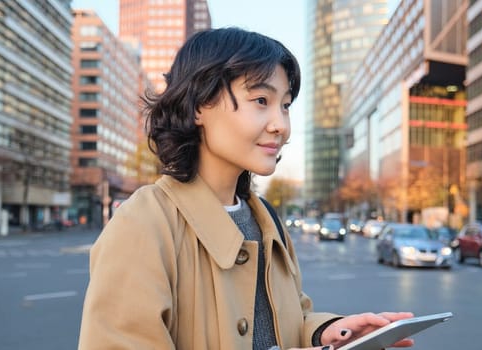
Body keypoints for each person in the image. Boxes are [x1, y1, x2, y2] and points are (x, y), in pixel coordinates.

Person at [78, 27, 415, 350]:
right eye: (260, 100)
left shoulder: (266, 218)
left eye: (285, 105)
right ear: (198, 105)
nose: (281, 126)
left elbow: (285, 318)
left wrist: (326, 332)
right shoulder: (144, 222)